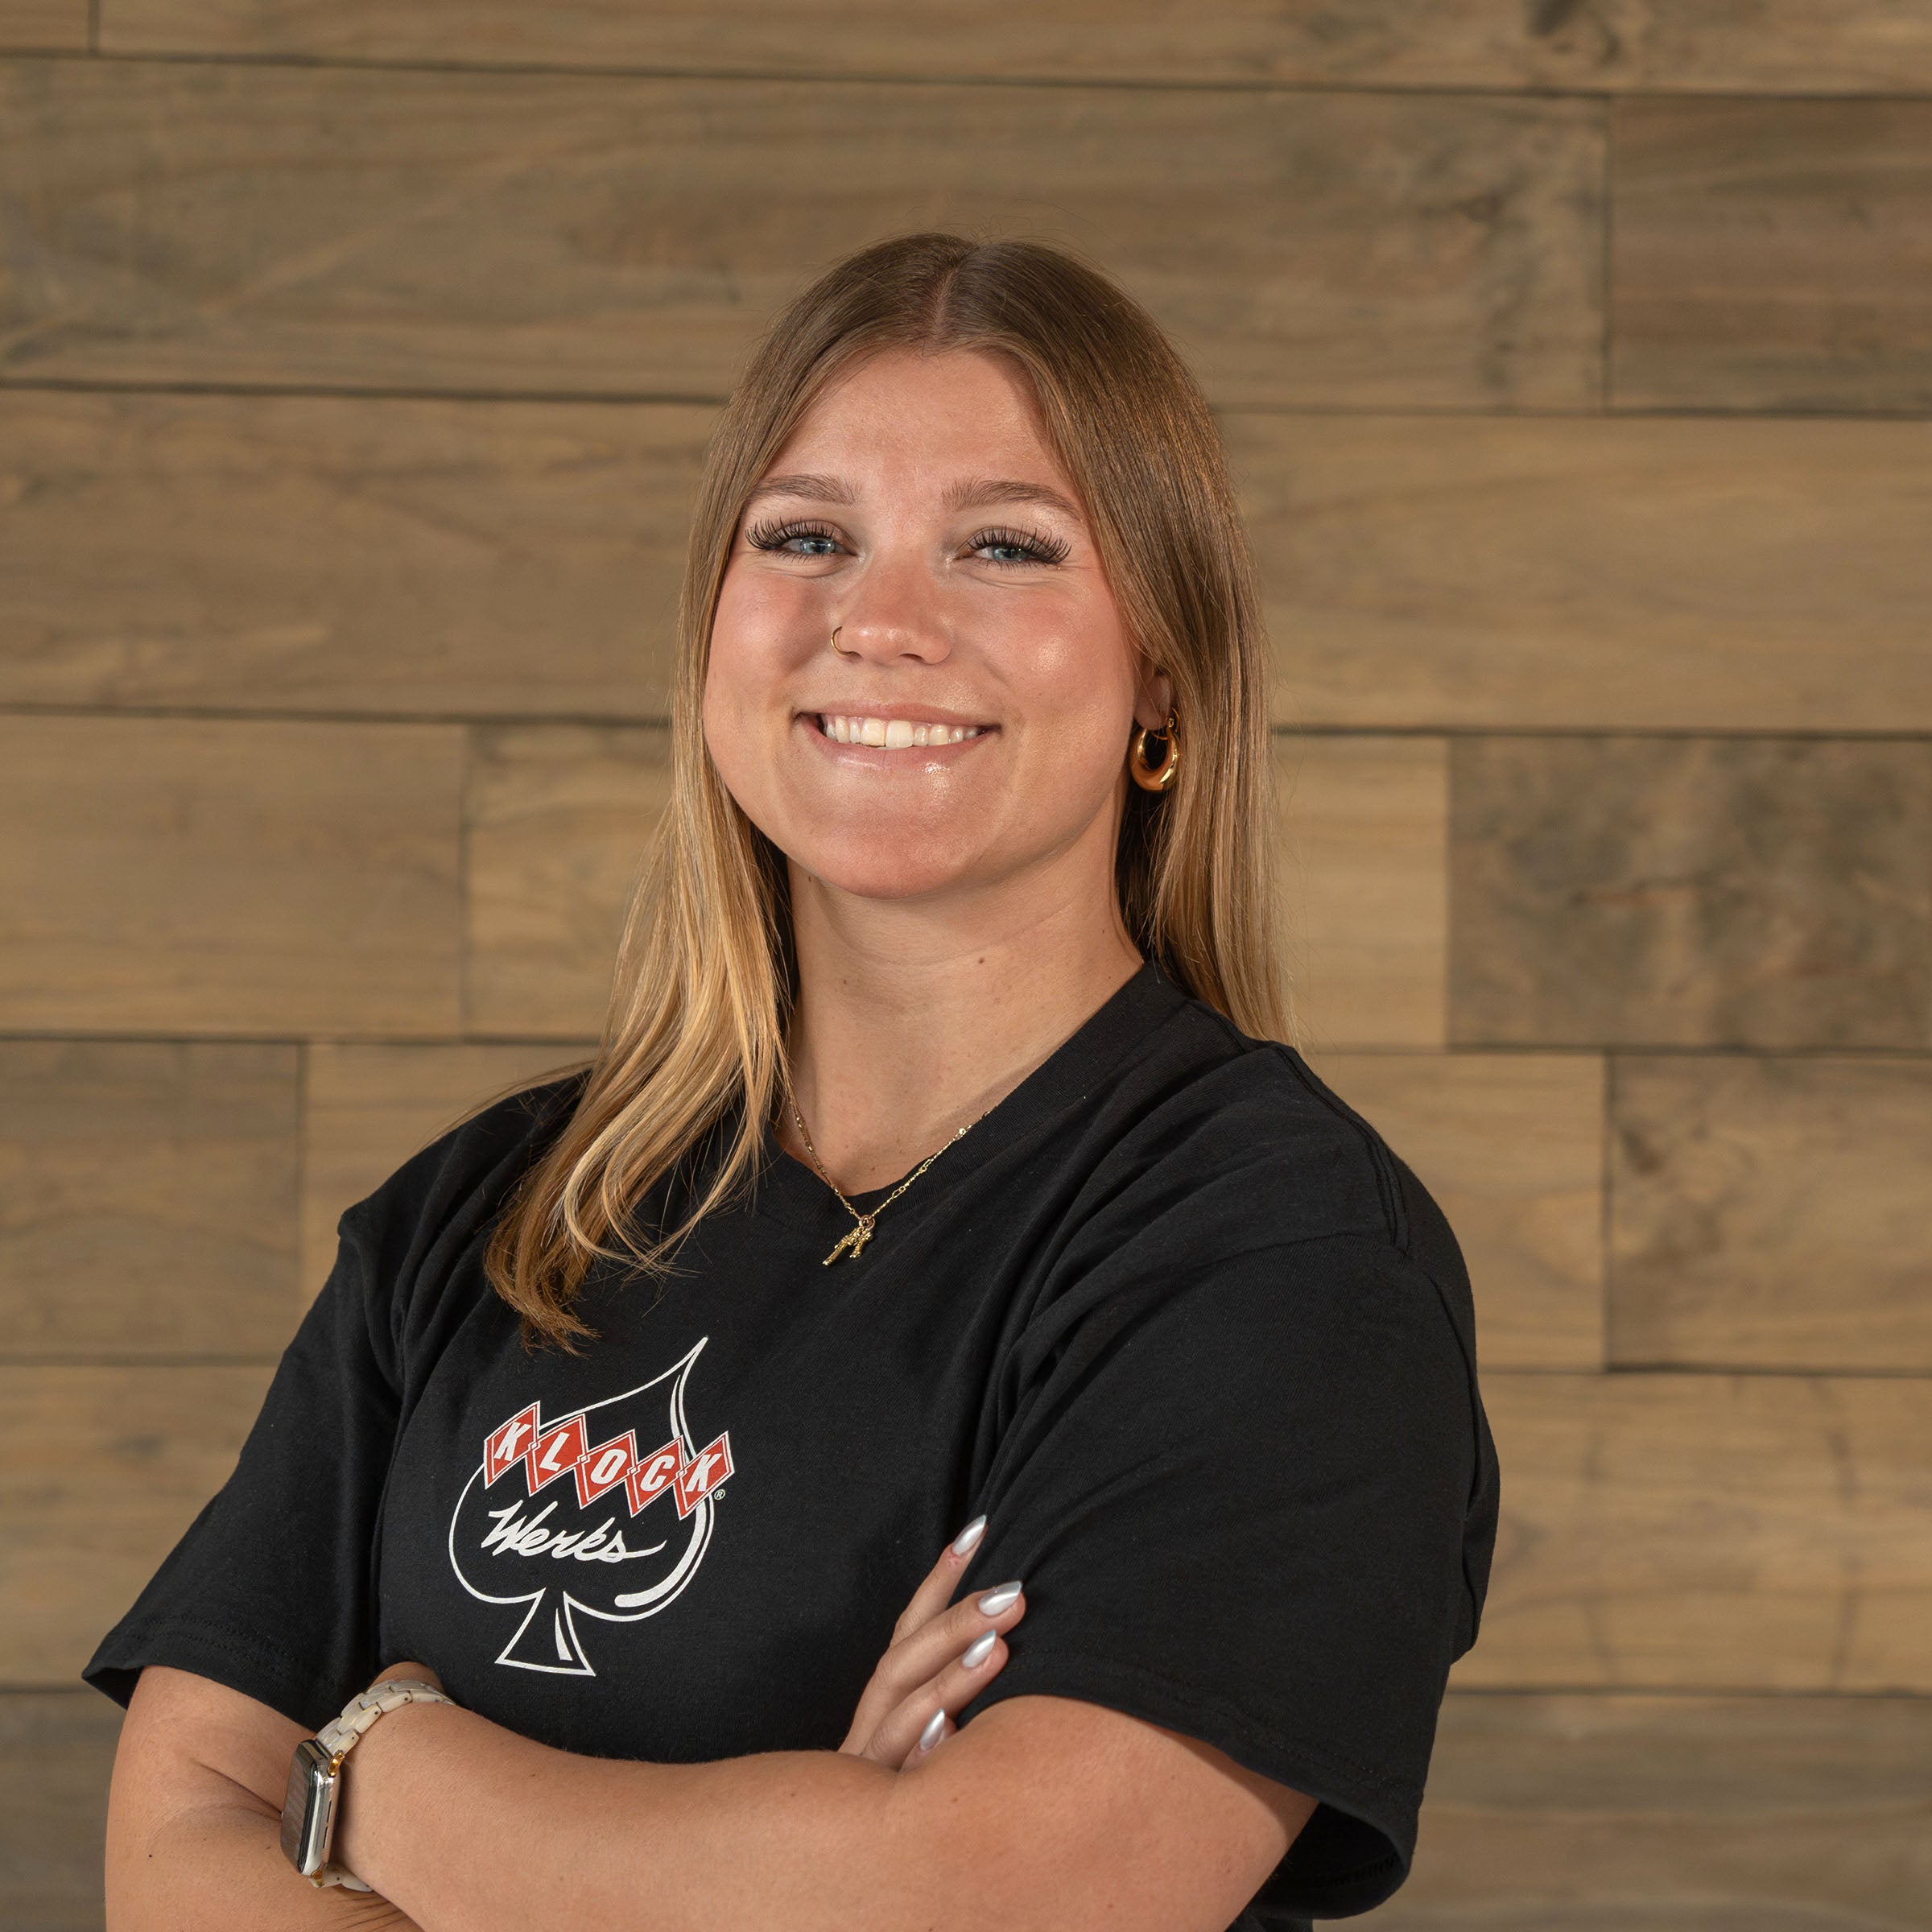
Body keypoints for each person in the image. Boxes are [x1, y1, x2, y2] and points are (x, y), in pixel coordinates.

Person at [87, 230, 1497, 1932]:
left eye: (1004, 546)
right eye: (807, 536)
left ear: (1166, 680)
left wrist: (380, 1764)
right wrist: (803, 1848)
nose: (881, 622)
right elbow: (172, 1846)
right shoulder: (489, 1213)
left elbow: (985, 1907)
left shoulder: (1276, 1253)